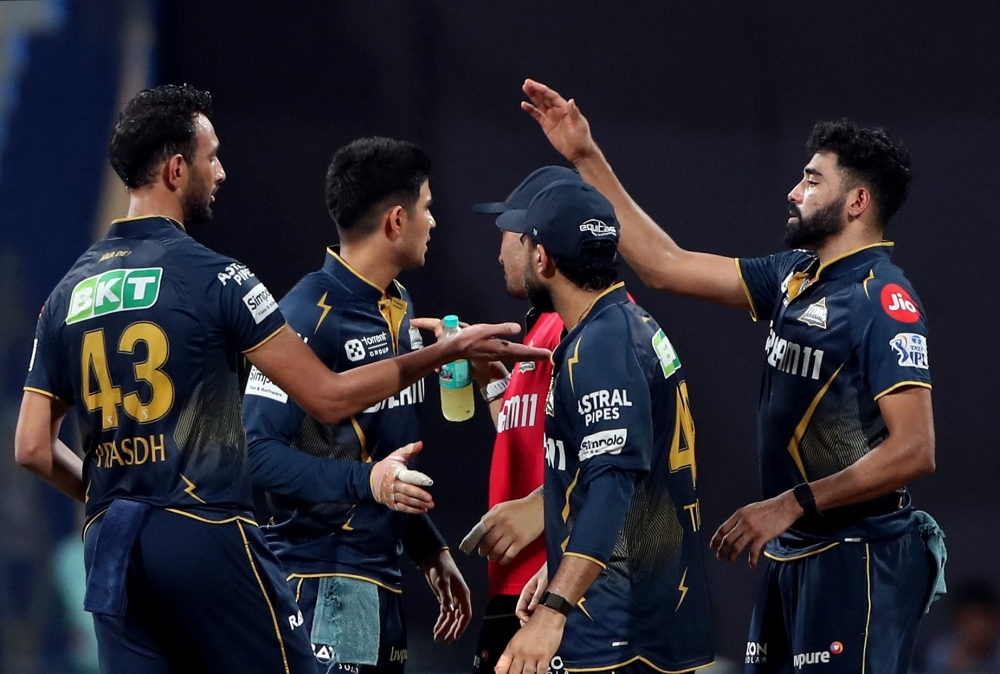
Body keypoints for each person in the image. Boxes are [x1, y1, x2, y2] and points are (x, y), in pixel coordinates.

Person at [12, 84, 548, 674]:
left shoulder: (67, 293)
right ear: (174, 169)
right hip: (208, 532)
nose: (220, 171)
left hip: (113, 544)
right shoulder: (220, 279)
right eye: (210, 156)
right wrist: (448, 350)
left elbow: (34, 447)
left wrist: (114, 497)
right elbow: (325, 396)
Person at [521, 78, 942, 673]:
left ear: (857, 204)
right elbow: (665, 266)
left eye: (813, 180)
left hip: (859, 558)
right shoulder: (794, 277)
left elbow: (916, 450)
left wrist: (791, 503)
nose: (794, 192)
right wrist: (585, 156)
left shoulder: (885, 299)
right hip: (793, 552)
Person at [244, 137, 471, 674]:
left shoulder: (397, 305)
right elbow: (255, 451)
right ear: (397, 220)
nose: (433, 222)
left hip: (380, 581)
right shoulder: (303, 315)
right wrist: (367, 485)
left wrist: (430, 552)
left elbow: (381, 457)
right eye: (428, 208)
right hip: (320, 580)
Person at [493, 180, 714, 674]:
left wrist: (553, 612)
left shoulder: (602, 347)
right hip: (642, 617)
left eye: (524, 242)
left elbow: (613, 485)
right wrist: (560, 567)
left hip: (619, 631)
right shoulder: (629, 325)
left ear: (542, 259)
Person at [459, 166, 583, 674]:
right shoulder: (546, 328)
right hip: (513, 585)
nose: (498, 254)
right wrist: (491, 377)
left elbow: (620, 452)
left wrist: (543, 504)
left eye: (506, 237)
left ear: (538, 245)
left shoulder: (585, 329)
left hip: (552, 590)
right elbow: (533, 435)